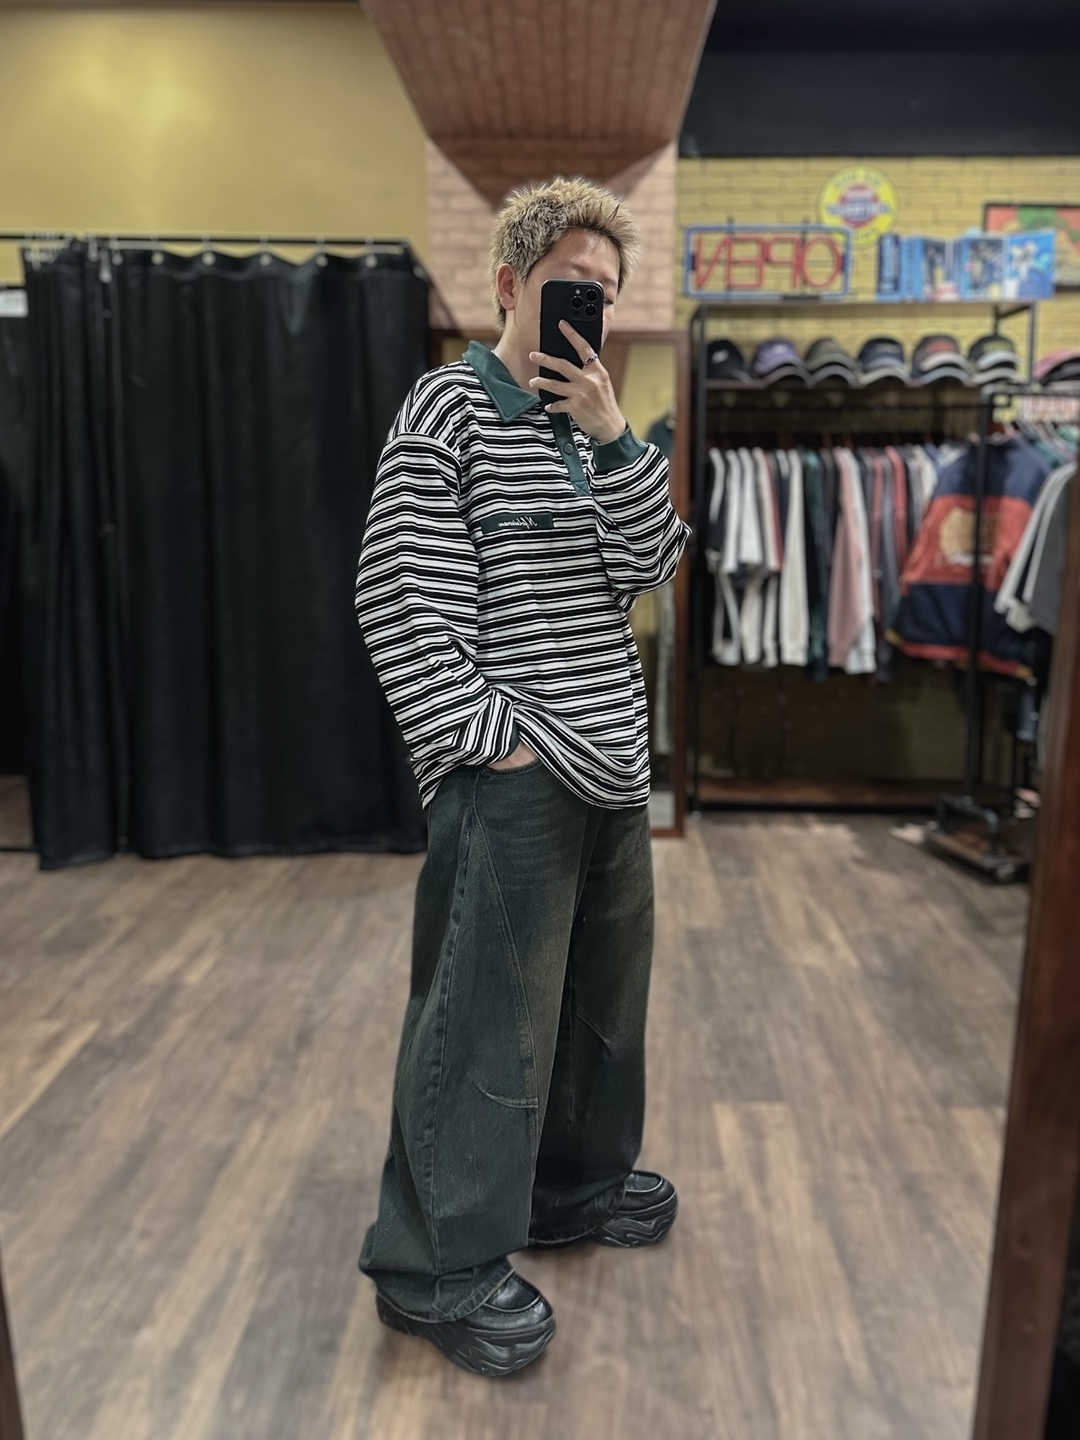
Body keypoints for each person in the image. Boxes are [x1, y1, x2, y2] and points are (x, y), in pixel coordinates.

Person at [353, 176, 691, 1377]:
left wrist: (614, 438)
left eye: (607, 288)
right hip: (516, 768)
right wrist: (491, 738)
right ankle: (434, 1269)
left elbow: (648, 569)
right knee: (484, 1016)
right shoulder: (447, 406)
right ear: (510, 284)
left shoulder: (595, 424)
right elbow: (396, 590)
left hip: (613, 764)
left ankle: (573, 1186)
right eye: (569, 284)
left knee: (601, 1003)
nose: (590, 302)